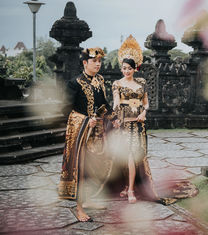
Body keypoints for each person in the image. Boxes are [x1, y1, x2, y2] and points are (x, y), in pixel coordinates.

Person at [112, 35, 198, 205]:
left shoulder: (141, 83)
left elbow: (146, 102)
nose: (126, 71)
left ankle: (131, 188)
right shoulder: (117, 84)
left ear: (135, 68)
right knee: (124, 157)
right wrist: (115, 115)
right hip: (124, 124)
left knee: (134, 157)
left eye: (129, 68)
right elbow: (115, 103)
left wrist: (144, 112)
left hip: (138, 125)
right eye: (124, 68)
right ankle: (126, 186)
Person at [58, 47, 120, 222]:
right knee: (82, 169)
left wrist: (113, 117)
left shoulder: (99, 80)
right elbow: (65, 110)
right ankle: (79, 209)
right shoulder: (75, 83)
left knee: (94, 168)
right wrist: (85, 120)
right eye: (94, 61)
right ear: (85, 63)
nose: (98, 64)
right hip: (81, 134)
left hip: (97, 134)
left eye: (100, 61)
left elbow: (102, 104)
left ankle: (89, 200)